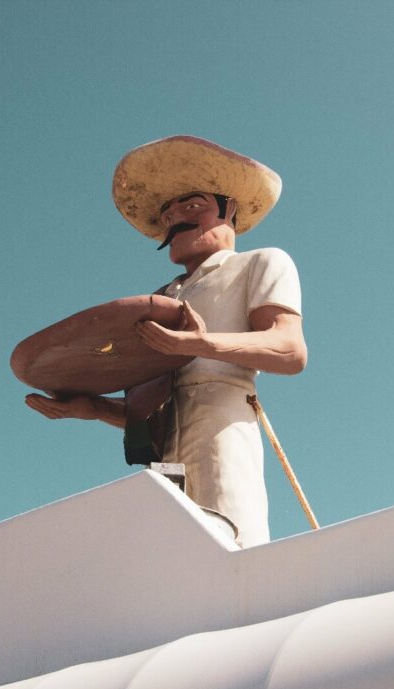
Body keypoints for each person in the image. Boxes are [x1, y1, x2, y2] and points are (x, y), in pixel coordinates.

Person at [25, 136, 306, 547]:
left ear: (228, 211)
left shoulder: (262, 262)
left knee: (230, 538)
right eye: (167, 214)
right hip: (164, 446)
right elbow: (156, 403)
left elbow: (289, 349)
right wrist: (96, 407)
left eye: (191, 206)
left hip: (223, 421)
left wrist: (202, 345)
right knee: (172, 555)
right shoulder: (165, 296)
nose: (175, 219)